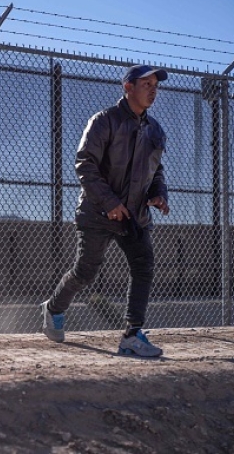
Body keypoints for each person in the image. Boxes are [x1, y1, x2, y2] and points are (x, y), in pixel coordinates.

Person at [40, 64, 171, 357]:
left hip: (134, 216)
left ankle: (132, 334)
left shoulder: (155, 129)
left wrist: (158, 195)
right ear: (128, 87)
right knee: (86, 271)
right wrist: (110, 202)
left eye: (155, 85)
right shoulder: (104, 121)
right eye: (146, 84)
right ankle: (53, 308)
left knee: (144, 266)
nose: (153, 90)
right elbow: (85, 164)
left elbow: (156, 170)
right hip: (97, 212)